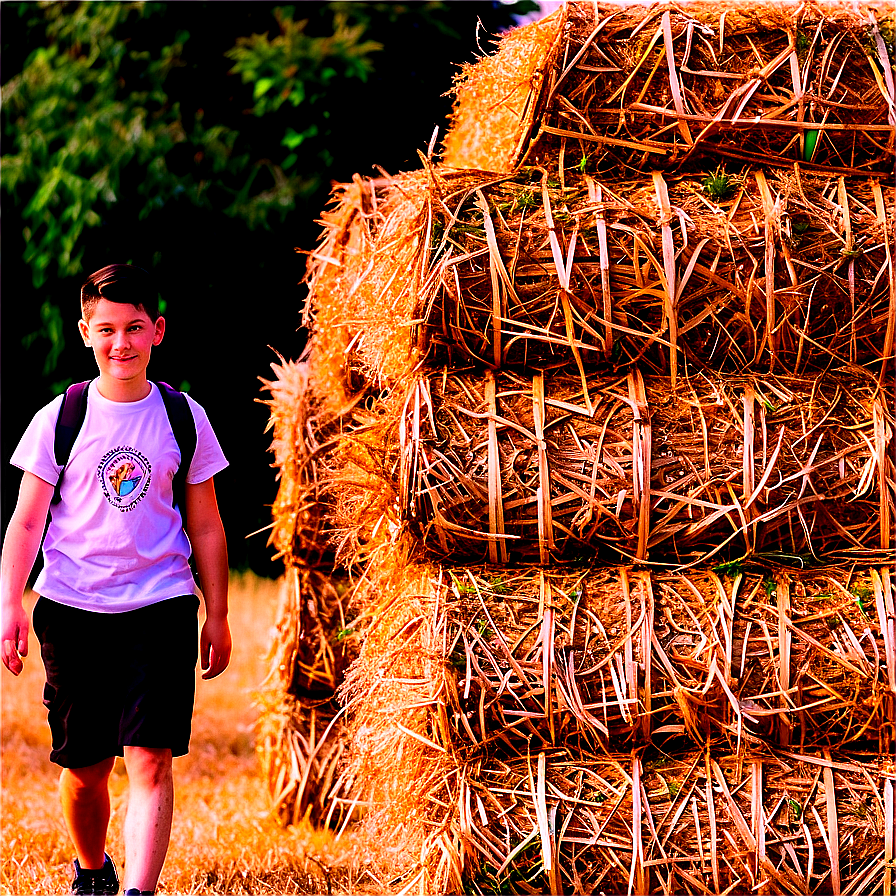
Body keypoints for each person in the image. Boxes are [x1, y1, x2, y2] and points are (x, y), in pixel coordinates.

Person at [1, 264, 232, 896]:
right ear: (84, 332)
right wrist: (10, 607)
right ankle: (95, 872)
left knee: (151, 760)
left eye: (134, 327)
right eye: (106, 329)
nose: (121, 343)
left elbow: (207, 524)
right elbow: (25, 524)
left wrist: (217, 613)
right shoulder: (60, 418)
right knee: (85, 769)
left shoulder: (184, 418)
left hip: (160, 607)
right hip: (71, 608)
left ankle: (140, 892)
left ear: (158, 331)